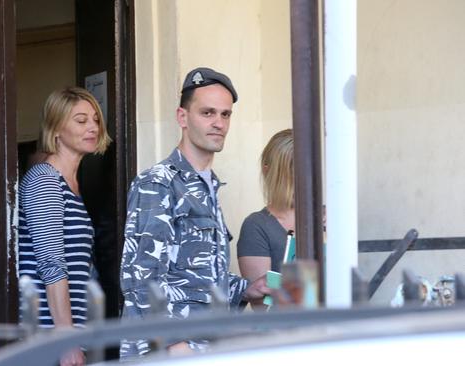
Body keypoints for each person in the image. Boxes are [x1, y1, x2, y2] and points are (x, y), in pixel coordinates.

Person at [119, 67, 270, 359]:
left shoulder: (209, 185)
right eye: (208, 113)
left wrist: (246, 290)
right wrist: (174, 343)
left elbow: (199, 276)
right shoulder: (159, 182)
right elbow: (140, 275)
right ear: (182, 117)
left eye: (225, 115)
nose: (218, 123)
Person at [18, 87, 111, 366]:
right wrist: (65, 337)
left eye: (95, 119)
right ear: (56, 128)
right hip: (49, 339)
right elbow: (51, 262)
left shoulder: (71, 184)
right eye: (81, 121)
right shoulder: (45, 180)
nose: (93, 127)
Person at [237, 129, 294, 283]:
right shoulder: (257, 225)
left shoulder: (324, 217)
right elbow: (262, 300)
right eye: (291, 171)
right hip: (288, 307)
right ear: (267, 170)